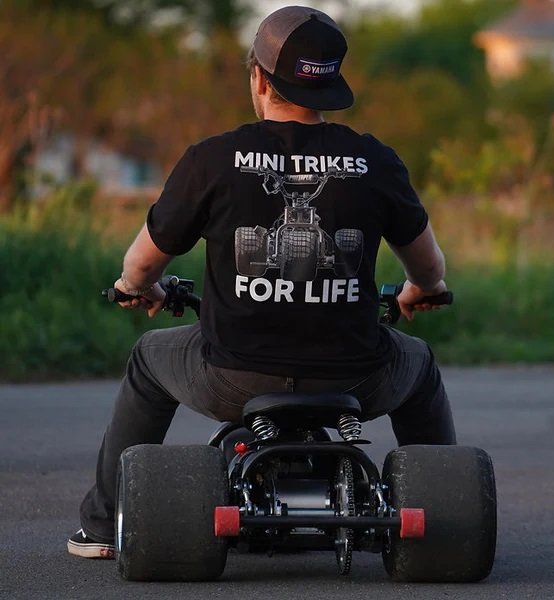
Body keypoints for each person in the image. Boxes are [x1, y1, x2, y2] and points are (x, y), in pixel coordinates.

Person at [67, 5, 456, 559]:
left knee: (149, 358)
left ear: (260, 77)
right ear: (330, 83)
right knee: (418, 363)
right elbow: (430, 269)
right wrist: (420, 290)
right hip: (355, 376)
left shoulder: (212, 159)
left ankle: (105, 525)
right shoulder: (375, 161)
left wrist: (139, 286)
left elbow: (141, 265)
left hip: (233, 376)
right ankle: (441, 520)